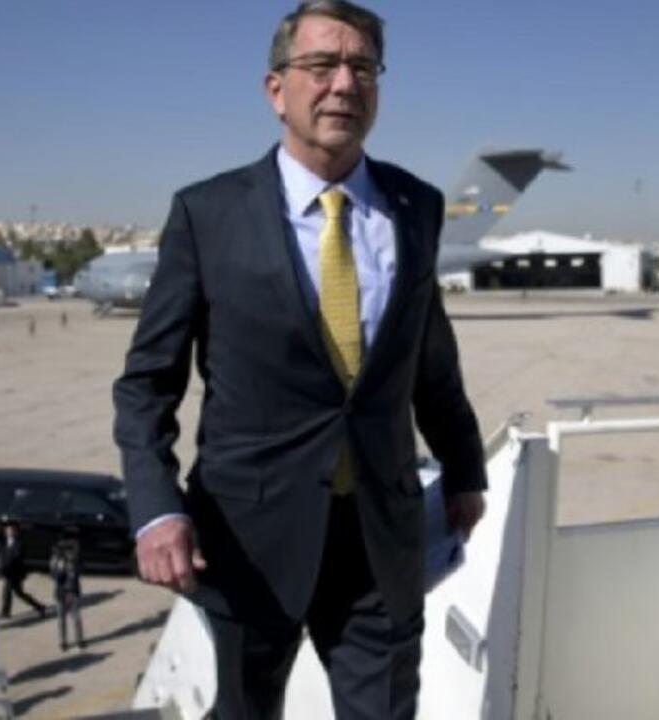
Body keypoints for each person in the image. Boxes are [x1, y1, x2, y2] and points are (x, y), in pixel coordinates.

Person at [112, 2, 487, 717]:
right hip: (248, 538)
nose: (344, 84)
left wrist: (464, 466)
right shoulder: (207, 213)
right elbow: (146, 386)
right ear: (276, 89)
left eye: (363, 67)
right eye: (321, 65)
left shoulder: (417, 206)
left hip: (381, 536)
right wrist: (156, 510)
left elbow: (430, 358)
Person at [0, 520, 47, 619]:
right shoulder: (5, 542)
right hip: (8, 572)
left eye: (11, 530)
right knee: (10, 591)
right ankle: (6, 611)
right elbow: (3, 555)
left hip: (16, 573)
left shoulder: (18, 543)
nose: (9, 532)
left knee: (16, 592)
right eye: (7, 530)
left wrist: (7, 565)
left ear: (15, 531)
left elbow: (16, 557)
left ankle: (39, 606)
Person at [49, 533, 85, 651]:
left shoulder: (76, 557)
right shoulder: (55, 559)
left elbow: (81, 569)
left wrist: (74, 565)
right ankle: (63, 641)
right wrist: (61, 569)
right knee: (61, 619)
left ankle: (79, 640)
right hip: (61, 592)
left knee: (76, 617)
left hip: (73, 590)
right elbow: (55, 576)